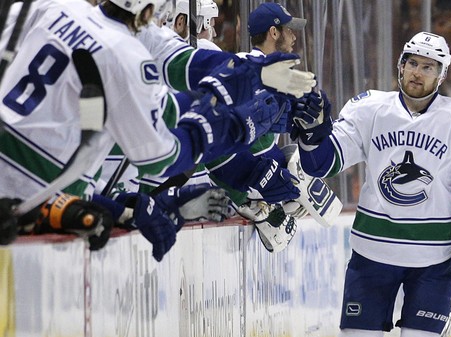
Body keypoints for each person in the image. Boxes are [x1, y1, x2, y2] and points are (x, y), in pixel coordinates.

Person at [0, 0, 315, 259]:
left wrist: (253, 72)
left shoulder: (48, 7)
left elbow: (186, 63)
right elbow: (162, 156)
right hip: (39, 202)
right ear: (152, 10)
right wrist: (233, 126)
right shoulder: (125, 56)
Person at [292, 32, 451, 337]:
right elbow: (322, 163)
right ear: (400, 65)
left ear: (442, 75)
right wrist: (312, 135)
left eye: (428, 67)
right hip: (371, 255)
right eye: (412, 63)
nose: (417, 72)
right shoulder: (368, 109)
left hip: (434, 260)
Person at [203, 2, 315, 253]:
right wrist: (245, 187)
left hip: (250, 169)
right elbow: (218, 129)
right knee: (295, 172)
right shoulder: (245, 67)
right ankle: (253, 203)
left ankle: (262, 204)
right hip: (232, 174)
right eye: (289, 30)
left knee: (298, 166)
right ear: (274, 33)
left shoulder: (278, 75)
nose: (294, 36)